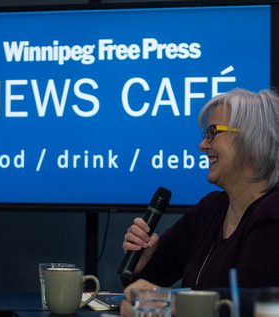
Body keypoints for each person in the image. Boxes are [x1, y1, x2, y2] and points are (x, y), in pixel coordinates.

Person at [119, 88, 279, 315]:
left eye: (213, 132)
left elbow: (258, 303)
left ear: (252, 139)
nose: (202, 145)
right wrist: (141, 265)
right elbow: (146, 290)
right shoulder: (210, 208)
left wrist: (174, 303)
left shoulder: (273, 212)